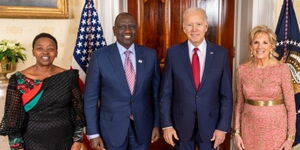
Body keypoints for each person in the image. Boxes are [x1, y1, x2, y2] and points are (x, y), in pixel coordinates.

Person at [84, 12, 160, 150]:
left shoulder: (150, 55)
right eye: (122, 27)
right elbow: (90, 98)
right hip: (111, 129)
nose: (127, 31)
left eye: (131, 27)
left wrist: (156, 124)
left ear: (136, 29)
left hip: (143, 128)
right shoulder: (99, 57)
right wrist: (93, 133)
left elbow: (156, 94)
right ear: (114, 30)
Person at [160, 8, 233, 150]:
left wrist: (222, 127)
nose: (194, 29)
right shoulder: (173, 53)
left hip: (211, 127)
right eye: (189, 25)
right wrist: (167, 125)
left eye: (199, 24)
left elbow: (226, 95)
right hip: (180, 126)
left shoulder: (221, 54)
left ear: (206, 27)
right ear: (183, 28)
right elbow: (166, 93)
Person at [0, 33, 85, 150]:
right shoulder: (18, 79)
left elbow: (78, 112)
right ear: (33, 52)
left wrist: (77, 142)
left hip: (65, 141)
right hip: (32, 142)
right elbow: (12, 119)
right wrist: (17, 147)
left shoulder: (68, 77)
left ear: (56, 52)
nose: (45, 52)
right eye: (40, 48)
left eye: (50, 49)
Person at [233, 25, 296, 150]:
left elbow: (291, 106)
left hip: (276, 130)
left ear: (272, 46)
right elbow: (239, 103)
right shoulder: (242, 70)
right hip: (249, 129)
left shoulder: (282, 69)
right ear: (250, 46)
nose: (260, 47)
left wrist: (290, 138)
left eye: (265, 42)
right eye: (256, 42)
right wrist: (236, 132)